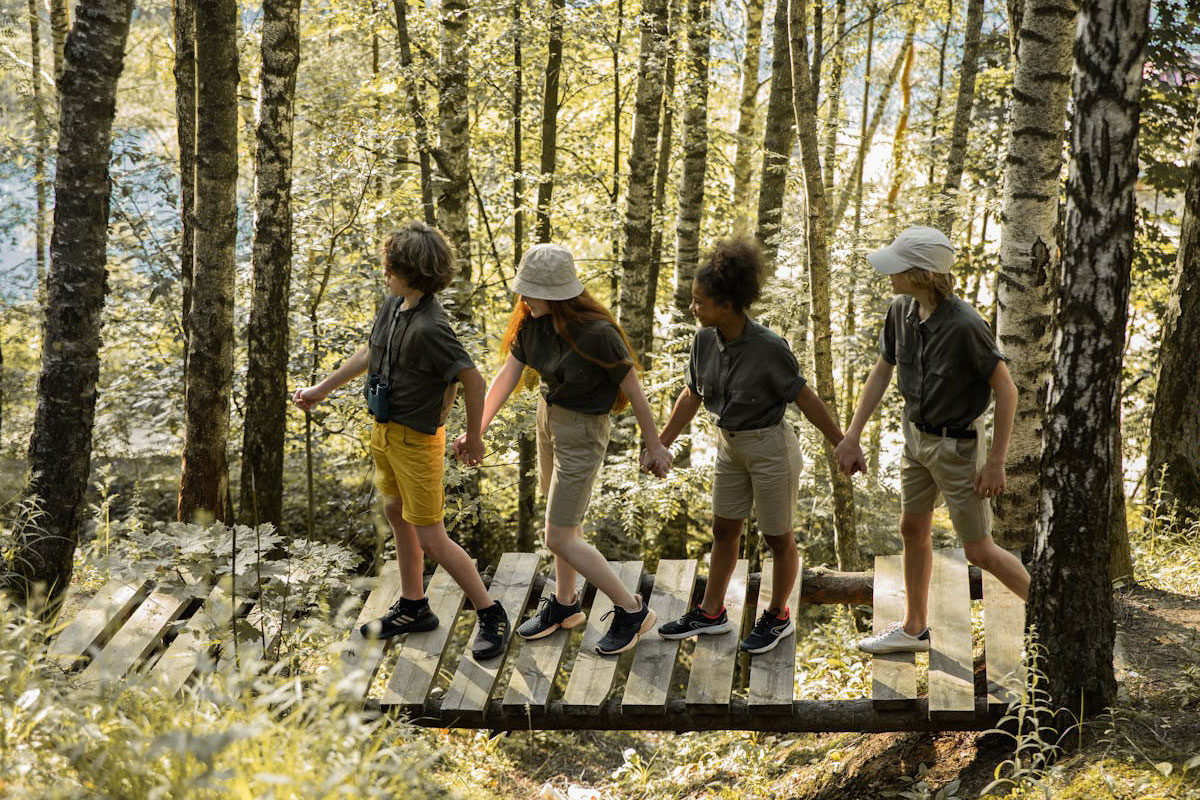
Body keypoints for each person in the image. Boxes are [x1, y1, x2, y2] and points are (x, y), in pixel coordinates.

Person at [292, 221, 511, 661]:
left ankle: (491, 613)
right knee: (396, 513)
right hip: (385, 433)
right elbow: (371, 352)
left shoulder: (432, 326)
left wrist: (475, 436)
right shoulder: (394, 304)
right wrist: (321, 389)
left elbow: (472, 380)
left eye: (391, 267)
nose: (384, 272)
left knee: (432, 537)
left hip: (417, 443)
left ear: (414, 272)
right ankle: (414, 606)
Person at [454, 243, 669, 656]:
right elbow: (506, 377)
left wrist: (655, 444)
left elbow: (634, 391)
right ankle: (566, 605)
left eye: (532, 291)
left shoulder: (598, 333)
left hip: (584, 431)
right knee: (565, 526)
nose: (524, 297)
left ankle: (632, 610)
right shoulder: (531, 322)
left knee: (558, 536)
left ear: (557, 294)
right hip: (548, 419)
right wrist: (475, 430)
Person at [834, 226, 1030, 655]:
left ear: (921, 274)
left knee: (979, 551)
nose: (889, 274)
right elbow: (882, 372)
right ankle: (914, 628)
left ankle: (1052, 619)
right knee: (911, 528)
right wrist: (852, 435)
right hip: (915, 440)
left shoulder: (965, 325)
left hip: (958, 447)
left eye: (897, 268)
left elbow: (1007, 390)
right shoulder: (900, 311)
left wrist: (996, 462)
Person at [654, 237, 851, 655]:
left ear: (727, 305)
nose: (693, 308)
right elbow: (691, 394)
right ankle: (711, 613)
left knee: (777, 538)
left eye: (699, 302)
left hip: (770, 449)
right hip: (729, 448)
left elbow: (805, 397)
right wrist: (660, 443)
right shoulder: (703, 341)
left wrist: (842, 442)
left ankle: (778, 615)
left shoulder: (769, 348)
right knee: (724, 530)